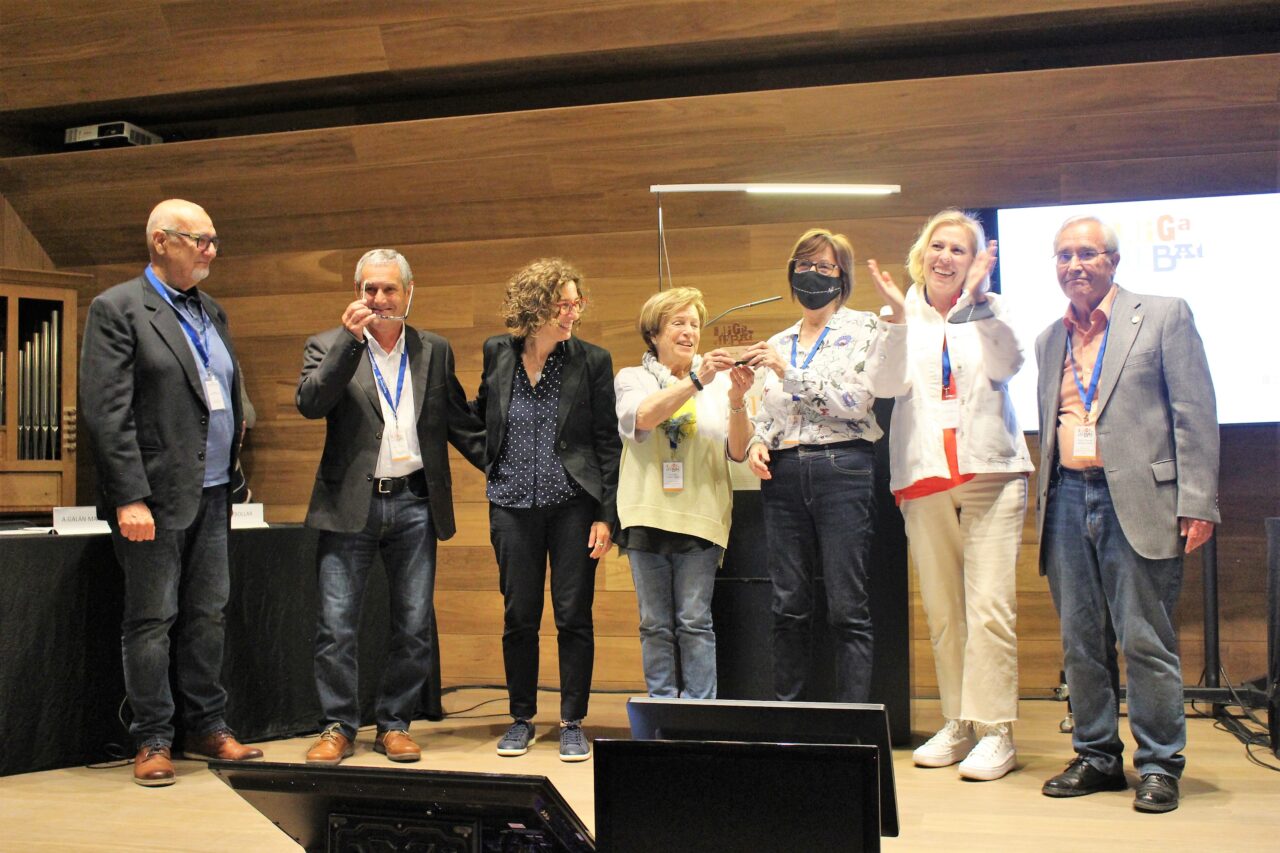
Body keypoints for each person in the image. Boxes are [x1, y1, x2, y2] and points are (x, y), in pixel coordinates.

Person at [1036, 215, 1219, 813]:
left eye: (1087, 253)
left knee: (1146, 639)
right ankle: (1095, 757)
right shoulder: (1048, 339)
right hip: (1066, 498)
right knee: (1080, 641)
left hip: (1139, 500)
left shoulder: (1164, 315)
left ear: (1113, 261)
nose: (1075, 265)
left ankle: (1160, 765)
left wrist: (1197, 501)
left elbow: (1194, 412)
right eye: (1064, 256)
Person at [79, 198, 263, 787]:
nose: (212, 250)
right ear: (161, 241)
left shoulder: (212, 310)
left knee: (208, 614)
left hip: (212, 493)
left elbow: (223, 391)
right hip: (153, 497)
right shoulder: (119, 308)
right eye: (200, 240)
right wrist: (129, 496)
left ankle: (208, 725)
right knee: (152, 619)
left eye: (213, 240)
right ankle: (153, 738)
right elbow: (107, 413)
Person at [296, 249, 482, 766]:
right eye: (369, 290)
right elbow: (310, 403)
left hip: (414, 503)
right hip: (349, 505)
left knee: (414, 623)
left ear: (409, 292)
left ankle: (394, 723)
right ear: (357, 294)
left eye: (389, 289)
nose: (379, 299)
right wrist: (347, 347)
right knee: (336, 625)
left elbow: (460, 422)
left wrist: (512, 466)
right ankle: (337, 726)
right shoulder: (327, 345)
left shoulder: (433, 349)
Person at [867, 210, 1033, 781]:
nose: (945, 258)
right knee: (944, 613)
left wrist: (981, 302)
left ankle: (996, 732)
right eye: (938, 247)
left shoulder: (994, 306)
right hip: (924, 477)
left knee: (989, 609)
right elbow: (885, 387)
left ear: (977, 260)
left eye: (959, 250)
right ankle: (959, 722)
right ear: (922, 252)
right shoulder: (900, 312)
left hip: (991, 474)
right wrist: (893, 320)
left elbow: (1010, 365)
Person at [742, 228, 905, 703]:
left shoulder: (865, 329)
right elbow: (769, 414)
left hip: (843, 469)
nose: (812, 275)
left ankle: (853, 724)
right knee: (787, 605)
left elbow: (854, 402)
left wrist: (786, 372)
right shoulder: (780, 339)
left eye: (824, 267)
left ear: (842, 276)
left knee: (847, 606)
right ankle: (788, 715)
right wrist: (756, 440)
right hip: (783, 474)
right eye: (804, 266)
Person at [470, 258, 621, 761]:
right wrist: (490, 464)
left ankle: (572, 720)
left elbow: (606, 442)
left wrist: (606, 514)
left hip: (573, 505)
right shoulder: (497, 351)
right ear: (534, 305)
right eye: (563, 303)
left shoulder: (592, 360)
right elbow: (480, 417)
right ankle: (520, 718)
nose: (572, 312)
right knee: (519, 615)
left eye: (577, 303)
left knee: (573, 614)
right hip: (512, 503)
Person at [614, 287, 754, 699]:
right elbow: (643, 417)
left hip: (702, 516)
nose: (689, 331)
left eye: (695, 324)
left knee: (695, 621)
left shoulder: (719, 379)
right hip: (646, 514)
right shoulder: (632, 378)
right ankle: (662, 711)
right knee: (654, 623)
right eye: (679, 322)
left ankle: (700, 714)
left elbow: (738, 450)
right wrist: (695, 381)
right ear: (654, 332)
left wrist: (737, 400)